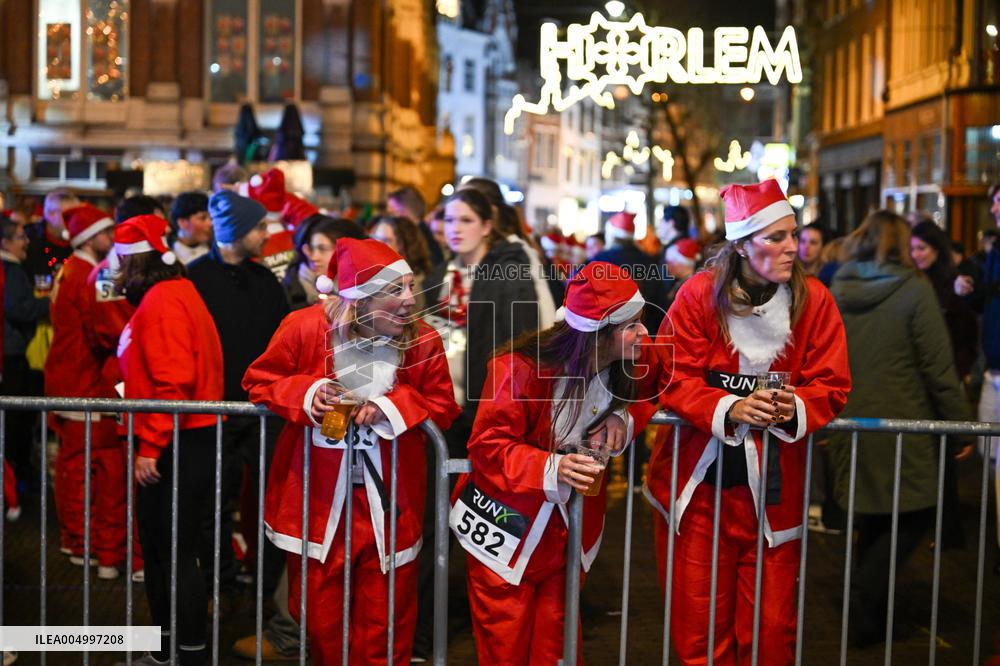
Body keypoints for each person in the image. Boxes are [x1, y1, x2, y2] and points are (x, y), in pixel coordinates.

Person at [644, 179, 851, 665]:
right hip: (700, 491)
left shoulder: (814, 300)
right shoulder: (698, 296)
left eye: (792, 234)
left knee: (770, 632)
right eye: (774, 237)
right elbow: (673, 374)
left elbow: (832, 382)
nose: (790, 247)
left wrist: (793, 406)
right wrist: (731, 408)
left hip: (775, 494)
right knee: (700, 630)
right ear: (741, 244)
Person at [242, 237, 459, 665]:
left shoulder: (423, 339)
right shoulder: (304, 328)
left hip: (390, 499)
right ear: (360, 300)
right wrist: (308, 392)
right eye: (395, 291)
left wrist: (390, 406)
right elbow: (259, 380)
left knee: (388, 613)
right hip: (319, 499)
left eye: (410, 287)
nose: (409, 300)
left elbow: (443, 406)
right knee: (319, 613)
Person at [453, 262, 659, 665]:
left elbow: (664, 390)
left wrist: (626, 417)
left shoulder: (628, 358)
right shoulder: (517, 368)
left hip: (565, 535)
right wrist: (553, 467)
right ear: (599, 335)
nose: (644, 333)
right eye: (632, 325)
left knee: (558, 650)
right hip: (506, 527)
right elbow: (488, 446)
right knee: (505, 649)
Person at [828, 210, 972, 645]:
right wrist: (962, 427)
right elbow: (938, 366)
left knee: (874, 519)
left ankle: (870, 612)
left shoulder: (839, 287)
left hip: (853, 422)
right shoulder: (914, 289)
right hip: (904, 425)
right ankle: (866, 603)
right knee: (912, 516)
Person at [113, 214, 223, 666]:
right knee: (168, 553)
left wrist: (151, 446)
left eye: (118, 261)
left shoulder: (162, 300)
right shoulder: (175, 292)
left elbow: (172, 382)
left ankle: (185, 655)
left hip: (175, 443)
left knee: (170, 555)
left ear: (133, 261)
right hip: (185, 440)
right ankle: (169, 653)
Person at [188, 190, 289, 603]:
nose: (268, 233)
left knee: (273, 503)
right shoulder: (193, 279)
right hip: (212, 411)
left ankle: (267, 590)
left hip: (263, 412)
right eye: (260, 226)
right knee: (213, 506)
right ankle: (218, 587)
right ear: (238, 230)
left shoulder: (266, 281)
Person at [44, 204, 125, 578]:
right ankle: (88, 544)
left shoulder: (69, 270)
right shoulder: (94, 274)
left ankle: (76, 540)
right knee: (97, 470)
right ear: (89, 237)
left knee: (73, 468)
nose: (113, 239)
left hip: (69, 380)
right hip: (89, 383)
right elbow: (108, 331)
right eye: (107, 232)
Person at [0, 218, 49, 484]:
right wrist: (48, 303)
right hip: (12, 355)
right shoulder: (12, 271)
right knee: (16, 420)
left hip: (7, 352)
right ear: (5, 242)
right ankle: (16, 477)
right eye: (20, 237)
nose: (26, 242)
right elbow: (18, 309)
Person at [591, 211, 670, 335]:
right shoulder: (649, 261)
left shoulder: (599, 261)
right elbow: (660, 306)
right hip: (644, 332)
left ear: (611, 235)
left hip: (606, 335)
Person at [284, 215, 366, 311]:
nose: (314, 257)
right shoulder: (306, 292)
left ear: (345, 251)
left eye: (322, 249)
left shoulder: (368, 293)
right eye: (313, 248)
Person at [388, 185, 444, 266]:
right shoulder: (422, 239)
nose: (390, 219)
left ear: (403, 213)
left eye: (392, 213)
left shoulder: (422, 247)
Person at [169, 192, 212, 266]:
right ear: (182, 222)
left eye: (211, 218)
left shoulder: (214, 252)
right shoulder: (167, 254)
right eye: (203, 218)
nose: (211, 224)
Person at [663, 237, 701, 309]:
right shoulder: (682, 282)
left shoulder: (689, 288)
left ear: (682, 264)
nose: (668, 266)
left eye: (671, 263)